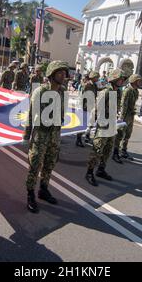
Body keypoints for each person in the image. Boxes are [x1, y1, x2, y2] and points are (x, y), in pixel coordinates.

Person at [23, 61, 69, 214]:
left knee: (50, 163)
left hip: (54, 134)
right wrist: (26, 135)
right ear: (52, 74)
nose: (64, 76)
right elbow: (30, 114)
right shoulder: (40, 92)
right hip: (41, 134)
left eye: (64, 73)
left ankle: (43, 189)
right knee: (35, 165)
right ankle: (30, 194)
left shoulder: (63, 91)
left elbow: (62, 113)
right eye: (60, 73)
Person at [85, 69, 125, 187]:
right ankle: (89, 172)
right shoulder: (106, 92)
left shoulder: (118, 92)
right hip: (103, 125)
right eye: (120, 79)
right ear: (114, 79)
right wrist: (90, 126)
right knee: (97, 150)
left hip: (112, 125)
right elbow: (96, 109)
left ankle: (101, 169)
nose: (122, 81)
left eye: (123, 79)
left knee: (108, 149)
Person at [113, 74, 141, 163]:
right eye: (138, 80)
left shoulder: (136, 91)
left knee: (128, 134)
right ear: (133, 81)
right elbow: (123, 104)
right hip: (125, 115)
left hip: (131, 115)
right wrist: (121, 118)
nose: (140, 82)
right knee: (120, 134)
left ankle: (123, 150)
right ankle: (115, 152)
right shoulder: (127, 90)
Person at [76, 71, 100, 147]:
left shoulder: (94, 85)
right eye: (96, 77)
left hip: (91, 107)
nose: (98, 79)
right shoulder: (87, 85)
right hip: (85, 107)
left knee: (90, 123)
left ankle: (87, 136)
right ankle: (78, 139)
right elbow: (81, 97)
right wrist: (81, 107)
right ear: (93, 77)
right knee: (82, 124)